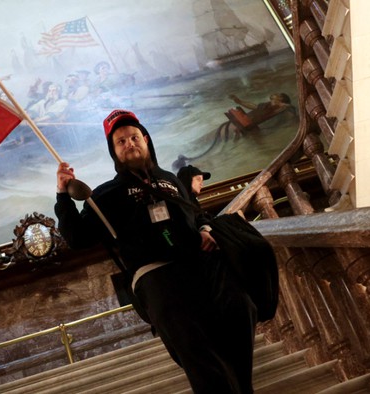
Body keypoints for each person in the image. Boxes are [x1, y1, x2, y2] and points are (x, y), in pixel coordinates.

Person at [55, 110, 258, 393]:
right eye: (121, 141)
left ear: (146, 140)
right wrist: (63, 196)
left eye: (134, 137)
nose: (129, 143)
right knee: (197, 353)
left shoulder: (172, 181)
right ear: (115, 153)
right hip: (159, 278)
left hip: (203, 266)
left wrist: (207, 230)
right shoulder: (105, 195)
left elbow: (196, 214)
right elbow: (77, 237)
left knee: (241, 310)